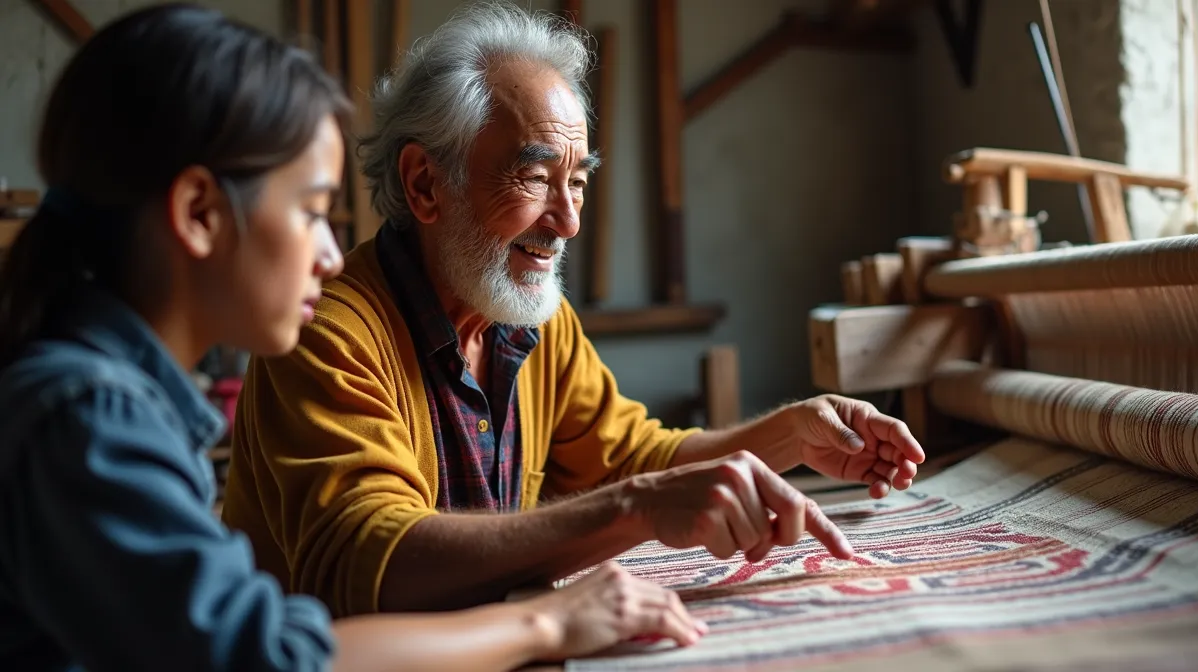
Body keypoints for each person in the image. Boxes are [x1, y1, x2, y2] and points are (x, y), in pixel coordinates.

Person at [0, 4, 706, 671]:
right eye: (311, 212)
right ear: (200, 214)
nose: (330, 255)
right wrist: (545, 625)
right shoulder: (90, 418)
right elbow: (268, 656)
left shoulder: (112, 402)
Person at [223, 0, 926, 618]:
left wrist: (790, 435)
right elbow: (372, 566)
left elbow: (626, 460)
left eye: (578, 183)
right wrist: (641, 507)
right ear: (425, 183)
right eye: (533, 177)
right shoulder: (326, 332)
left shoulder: (532, 319)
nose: (567, 223)